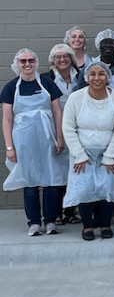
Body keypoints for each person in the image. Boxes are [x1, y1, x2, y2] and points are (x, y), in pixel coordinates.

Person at [62, 61, 114, 240]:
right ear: (86, 77)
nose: (97, 78)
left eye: (101, 74)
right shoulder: (75, 98)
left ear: (108, 77)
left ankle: (105, 224)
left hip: (108, 152)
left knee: (106, 187)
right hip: (82, 153)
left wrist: (110, 156)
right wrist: (80, 154)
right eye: (93, 74)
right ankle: (88, 226)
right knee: (85, 189)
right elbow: (68, 128)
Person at [2, 49, 66, 236]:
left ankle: (51, 221)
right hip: (23, 141)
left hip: (47, 138)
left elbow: (57, 112)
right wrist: (9, 147)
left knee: (51, 180)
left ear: (36, 62)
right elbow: (6, 119)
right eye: (23, 61)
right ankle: (34, 222)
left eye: (31, 60)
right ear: (17, 64)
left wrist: (59, 137)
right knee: (29, 181)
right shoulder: (11, 87)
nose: (27, 64)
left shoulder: (47, 83)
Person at [78, 29, 114, 226]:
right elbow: (78, 98)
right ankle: (97, 216)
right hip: (93, 128)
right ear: (99, 47)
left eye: (112, 44)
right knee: (96, 172)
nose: (108, 47)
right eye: (104, 44)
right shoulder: (86, 69)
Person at [45, 43, 80, 225]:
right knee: (57, 173)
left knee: (73, 172)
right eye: (58, 57)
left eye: (66, 56)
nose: (62, 59)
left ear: (71, 59)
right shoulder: (46, 79)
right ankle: (55, 212)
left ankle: (70, 211)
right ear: (53, 60)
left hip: (76, 131)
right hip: (55, 130)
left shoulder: (80, 77)